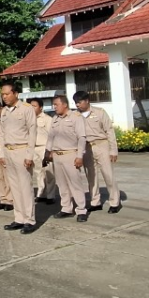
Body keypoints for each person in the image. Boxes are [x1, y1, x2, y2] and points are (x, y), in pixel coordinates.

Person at [0, 82, 38, 233]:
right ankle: (19, 218)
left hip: (22, 150)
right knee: (14, 187)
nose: (4, 97)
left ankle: (29, 220)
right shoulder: (4, 112)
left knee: (25, 187)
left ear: (16, 94)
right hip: (8, 151)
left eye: (7, 94)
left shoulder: (26, 109)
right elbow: (2, 133)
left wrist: (29, 155)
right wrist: (2, 153)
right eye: (2, 94)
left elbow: (32, 132)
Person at [74, 91, 121, 213]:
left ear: (87, 101)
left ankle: (115, 202)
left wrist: (113, 150)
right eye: (76, 103)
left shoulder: (99, 112)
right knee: (91, 176)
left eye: (79, 102)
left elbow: (109, 131)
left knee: (108, 174)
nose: (77, 105)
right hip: (87, 148)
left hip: (101, 145)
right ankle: (95, 202)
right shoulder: (75, 115)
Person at [48, 94, 90, 222]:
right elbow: (50, 137)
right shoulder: (55, 118)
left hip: (70, 154)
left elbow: (82, 138)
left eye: (56, 104)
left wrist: (79, 156)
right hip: (57, 155)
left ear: (65, 105)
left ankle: (81, 210)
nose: (54, 107)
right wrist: (47, 152)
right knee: (62, 184)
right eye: (53, 105)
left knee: (75, 183)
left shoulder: (76, 117)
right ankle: (66, 208)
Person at [30, 98, 52, 206]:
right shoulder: (29, 119)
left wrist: (50, 150)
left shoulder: (47, 119)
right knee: (38, 172)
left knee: (48, 172)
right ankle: (40, 193)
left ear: (41, 107)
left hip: (44, 147)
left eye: (34, 106)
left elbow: (52, 135)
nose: (32, 108)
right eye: (31, 106)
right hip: (34, 148)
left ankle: (50, 195)